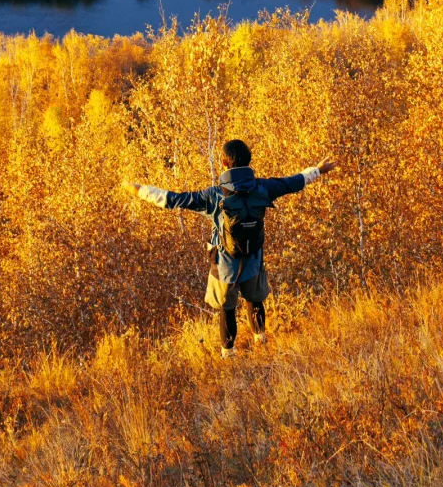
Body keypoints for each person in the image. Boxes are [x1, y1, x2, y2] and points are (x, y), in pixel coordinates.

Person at [124, 138, 336, 356]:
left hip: (225, 264)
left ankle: (228, 354)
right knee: (255, 300)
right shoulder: (262, 187)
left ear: (224, 164)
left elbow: (176, 199)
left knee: (227, 309)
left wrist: (141, 191)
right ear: (248, 161)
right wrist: (318, 171)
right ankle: (261, 342)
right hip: (253, 257)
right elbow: (292, 183)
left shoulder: (214, 195)